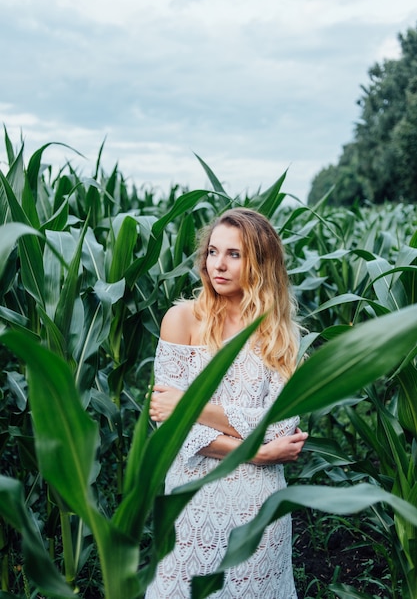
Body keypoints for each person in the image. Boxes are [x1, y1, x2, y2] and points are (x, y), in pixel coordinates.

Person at [145, 207, 308, 598]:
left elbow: (281, 428)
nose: (218, 264)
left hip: (258, 514)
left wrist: (191, 405)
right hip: (190, 504)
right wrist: (259, 454)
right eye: (213, 251)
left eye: (234, 254)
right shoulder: (181, 320)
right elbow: (169, 428)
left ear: (260, 262)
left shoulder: (283, 337)